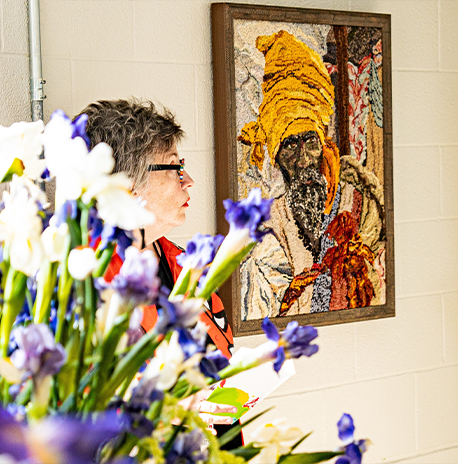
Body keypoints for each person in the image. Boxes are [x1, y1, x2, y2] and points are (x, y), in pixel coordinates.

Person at [77, 99, 239, 438]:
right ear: (127, 185)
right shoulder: (89, 277)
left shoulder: (185, 263)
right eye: (174, 167)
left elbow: (219, 358)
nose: (189, 180)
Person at [237, 30, 386, 319]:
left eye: (310, 142)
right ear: (277, 156)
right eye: (290, 145)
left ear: (325, 144)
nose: (303, 159)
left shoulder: (362, 205)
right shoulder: (270, 223)